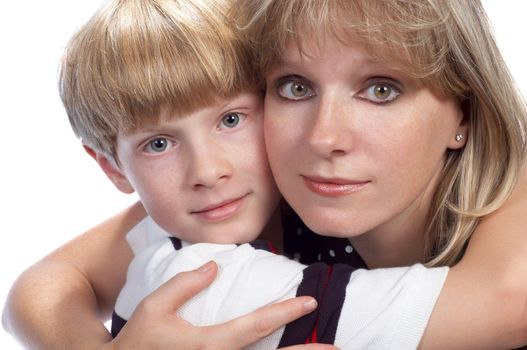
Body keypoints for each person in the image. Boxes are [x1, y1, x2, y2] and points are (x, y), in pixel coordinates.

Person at [3, 0, 527, 349]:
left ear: (465, 112)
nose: (324, 138)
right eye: (295, 87)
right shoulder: (250, 198)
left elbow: (509, 302)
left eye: (382, 89)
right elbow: (42, 286)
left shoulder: (513, 198)